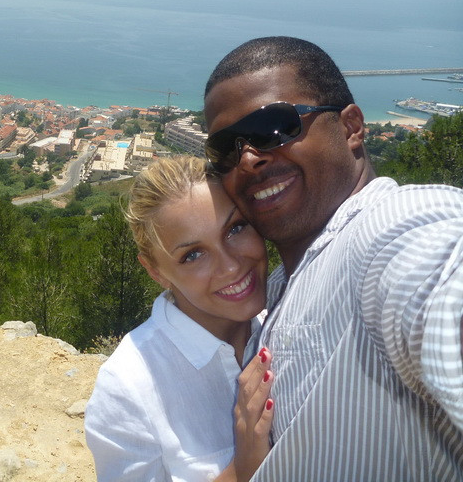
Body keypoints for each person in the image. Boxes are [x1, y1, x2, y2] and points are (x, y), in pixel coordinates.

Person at [202, 36, 463, 480]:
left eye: (274, 126)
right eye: (226, 149)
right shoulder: (278, 286)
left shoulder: (393, 228)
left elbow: (438, 283)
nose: (248, 160)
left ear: (350, 128)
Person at [85, 154, 275, 482]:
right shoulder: (128, 388)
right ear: (155, 271)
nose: (231, 266)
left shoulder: (288, 321)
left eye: (235, 228)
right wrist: (242, 470)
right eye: (193, 255)